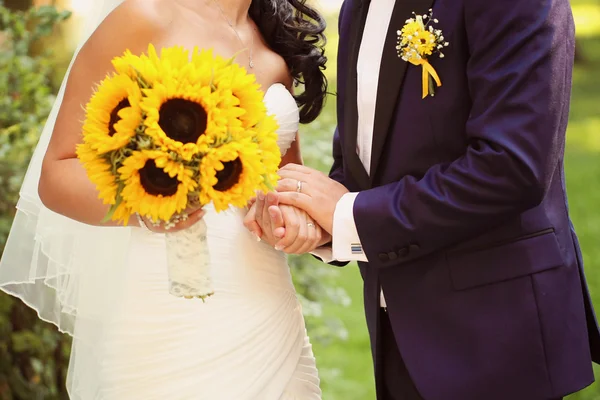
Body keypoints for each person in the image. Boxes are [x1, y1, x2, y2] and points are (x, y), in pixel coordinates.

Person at [247, 0, 600, 398]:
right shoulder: (357, 7)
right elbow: (366, 156)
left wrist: (348, 214)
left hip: (495, 335)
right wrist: (320, 222)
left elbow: (511, 167)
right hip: (399, 327)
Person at [0, 0, 328, 397]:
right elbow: (56, 173)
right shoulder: (144, 17)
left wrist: (292, 220)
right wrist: (151, 206)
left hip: (267, 308)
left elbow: (278, 184)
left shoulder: (275, 47)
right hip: (163, 306)